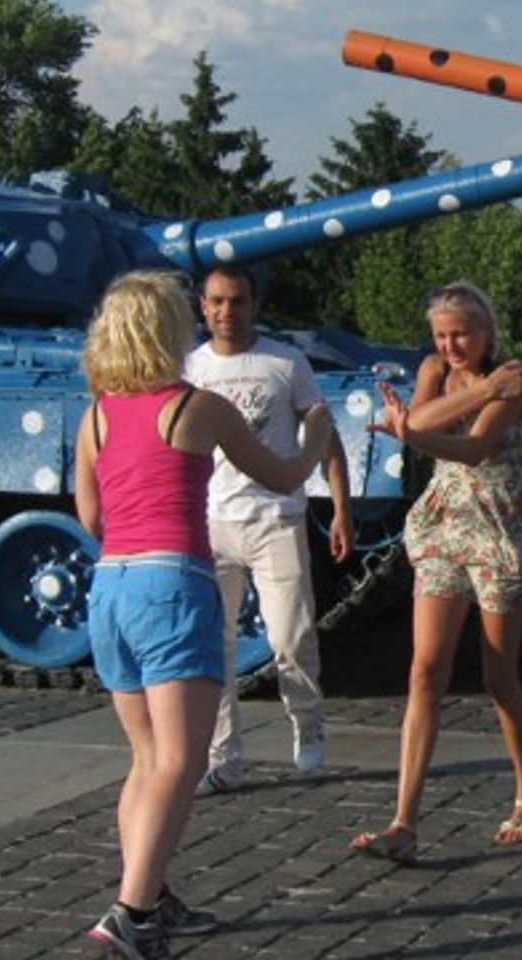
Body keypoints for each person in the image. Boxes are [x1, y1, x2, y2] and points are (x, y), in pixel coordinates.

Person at [75, 270, 333, 960]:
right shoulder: (198, 407)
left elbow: (91, 516)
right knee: (183, 760)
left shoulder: (97, 414)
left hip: (111, 587)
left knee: (146, 759)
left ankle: (151, 895)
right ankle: (131, 913)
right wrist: (316, 439)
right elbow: (282, 476)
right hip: (171, 581)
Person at [350, 281, 522, 865]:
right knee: (424, 670)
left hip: (499, 529)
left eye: (460, 333)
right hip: (442, 526)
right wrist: (443, 409)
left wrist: (413, 427)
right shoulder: (439, 370)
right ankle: (404, 823)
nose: (450, 345)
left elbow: (474, 447)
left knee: (498, 677)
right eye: (440, 335)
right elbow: (420, 417)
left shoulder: (516, 377)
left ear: (486, 331)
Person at [185, 264, 351, 796]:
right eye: (216, 301)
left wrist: (341, 507)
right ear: (202, 306)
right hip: (211, 521)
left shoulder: (285, 362)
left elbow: (324, 435)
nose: (226, 311)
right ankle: (222, 758)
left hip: (275, 516)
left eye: (237, 301)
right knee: (215, 645)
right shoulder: (191, 367)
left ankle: (307, 720)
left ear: (255, 305)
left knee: (290, 635)